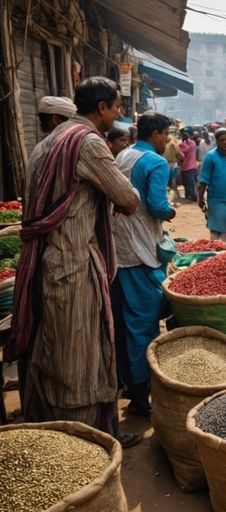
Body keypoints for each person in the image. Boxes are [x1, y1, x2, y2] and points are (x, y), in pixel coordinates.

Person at [8, 77, 140, 444]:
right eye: (115, 107)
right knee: (76, 360)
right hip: (72, 266)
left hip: (43, 264)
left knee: (51, 352)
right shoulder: (88, 144)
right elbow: (127, 199)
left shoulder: (47, 142)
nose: (118, 113)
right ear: (101, 109)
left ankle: (59, 434)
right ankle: (86, 443)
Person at [110, 111, 176, 419]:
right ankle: (142, 393)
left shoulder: (123, 154)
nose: (168, 141)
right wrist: (172, 212)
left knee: (123, 324)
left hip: (117, 251)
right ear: (157, 134)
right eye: (166, 135)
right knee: (142, 325)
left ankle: (127, 383)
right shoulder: (156, 162)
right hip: (140, 251)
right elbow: (158, 207)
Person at [198, 128, 226, 241]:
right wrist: (200, 198)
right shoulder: (210, 157)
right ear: (217, 141)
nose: (225, 142)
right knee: (217, 232)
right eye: (222, 140)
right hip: (216, 201)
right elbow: (203, 180)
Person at [177, 129, 198, 201]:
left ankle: (190, 196)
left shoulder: (182, 145)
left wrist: (182, 143)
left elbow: (183, 152)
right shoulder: (193, 143)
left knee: (187, 184)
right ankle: (194, 196)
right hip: (193, 167)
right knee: (193, 183)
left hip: (186, 167)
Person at [163, 131, 182, 204]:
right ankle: (175, 195)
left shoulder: (165, 142)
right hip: (172, 163)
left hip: (167, 163)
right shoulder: (172, 142)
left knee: (167, 180)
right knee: (172, 180)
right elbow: (178, 153)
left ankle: (172, 195)